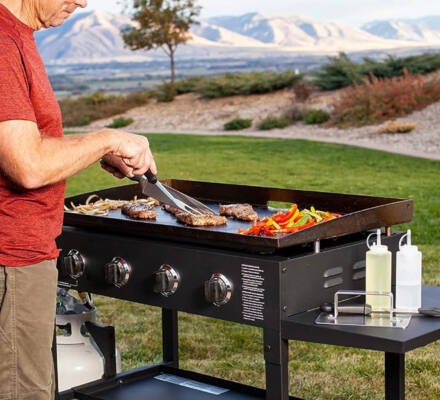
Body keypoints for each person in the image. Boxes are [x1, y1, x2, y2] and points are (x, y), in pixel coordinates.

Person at [0, 1, 156, 399]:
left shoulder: (18, 34)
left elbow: (23, 141)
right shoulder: (2, 41)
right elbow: (28, 166)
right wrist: (107, 138)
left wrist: (94, 151)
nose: (83, 2)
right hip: (11, 261)